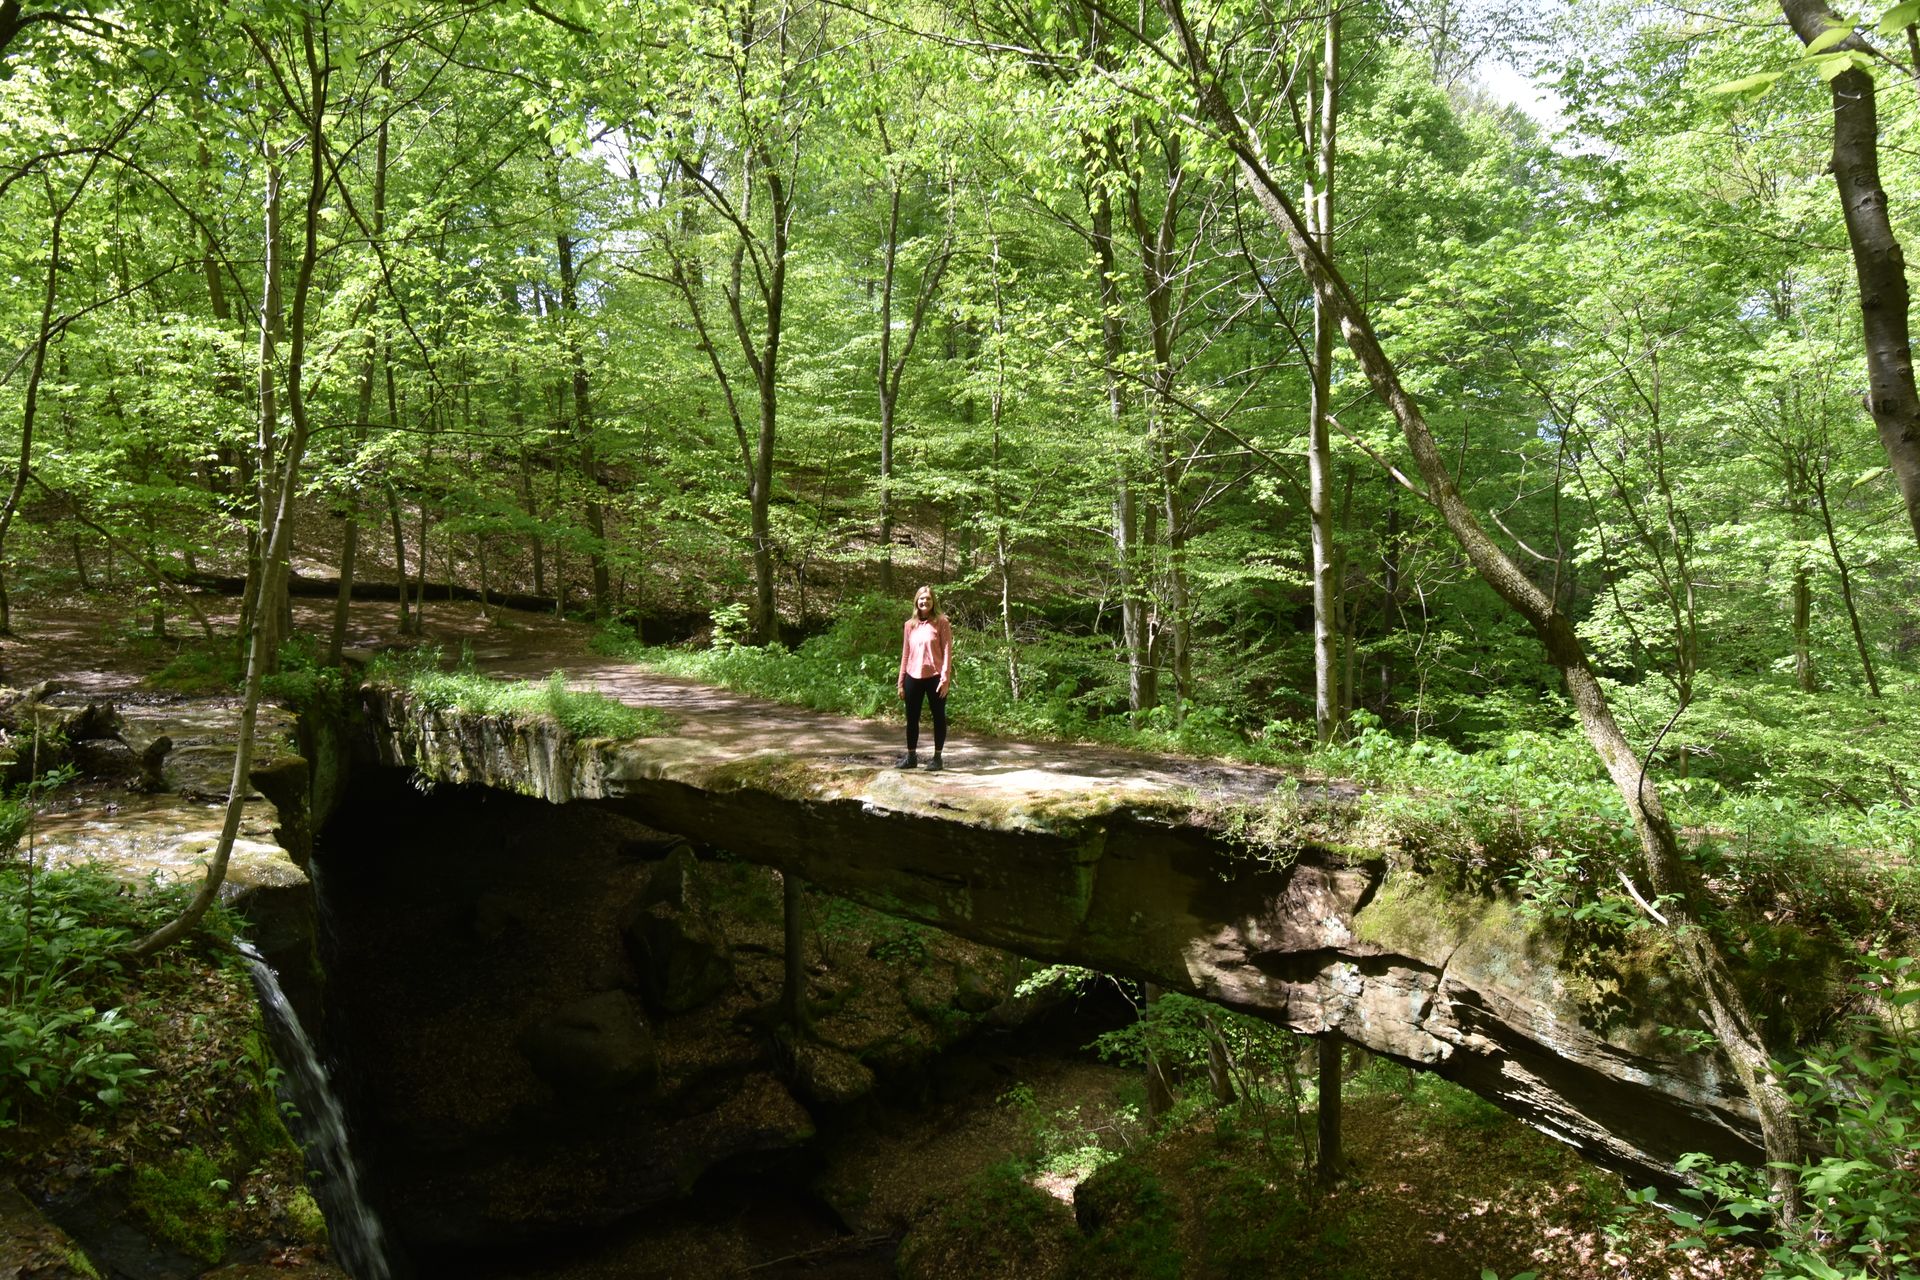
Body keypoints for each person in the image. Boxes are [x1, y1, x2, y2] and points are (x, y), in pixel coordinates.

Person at [895, 584, 951, 770]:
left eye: (928, 598)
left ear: (933, 601)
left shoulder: (942, 622)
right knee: (912, 718)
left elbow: (947, 651)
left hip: (935, 677)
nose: (924, 601)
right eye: (921, 599)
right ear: (916, 602)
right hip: (913, 675)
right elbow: (905, 653)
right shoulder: (909, 625)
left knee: (938, 717)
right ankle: (911, 757)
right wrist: (901, 682)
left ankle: (937, 758)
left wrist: (945, 678)